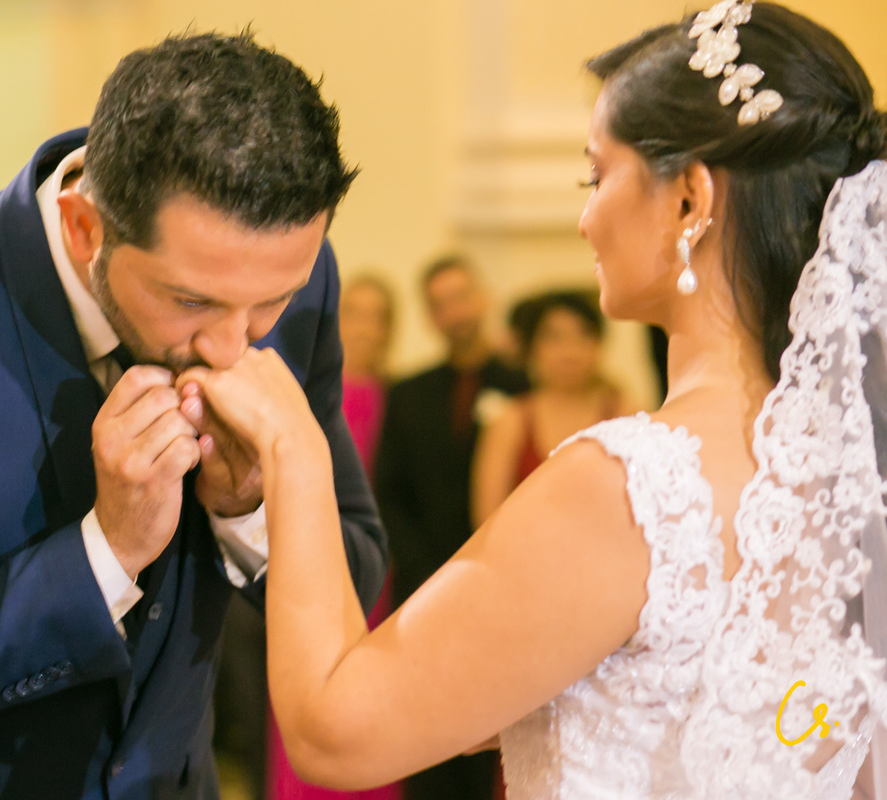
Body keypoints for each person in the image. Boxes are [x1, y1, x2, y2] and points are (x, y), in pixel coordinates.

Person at [176, 2, 887, 797]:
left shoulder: (635, 492)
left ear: (689, 201)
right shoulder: (853, 484)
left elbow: (335, 731)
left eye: (596, 175)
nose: (584, 220)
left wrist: (295, 450)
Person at [0, 32, 387, 799]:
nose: (234, 345)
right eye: (191, 301)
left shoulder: (294, 275)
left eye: (274, 301)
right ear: (83, 227)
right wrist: (106, 552)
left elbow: (355, 573)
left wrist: (252, 510)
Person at [371, 257, 526, 800]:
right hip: (425, 588)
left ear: (482, 298)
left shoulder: (523, 384)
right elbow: (388, 491)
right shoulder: (408, 393)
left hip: (507, 591)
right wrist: (427, 572)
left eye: (461, 296)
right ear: (430, 318)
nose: (455, 311)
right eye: (440, 304)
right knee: (429, 739)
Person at [266, 274, 401, 800]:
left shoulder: (399, 397)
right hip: (308, 563)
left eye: (377, 316)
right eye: (355, 313)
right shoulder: (313, 396)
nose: (365, 326)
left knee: (373, 698)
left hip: (378, 570)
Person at [471, 289, 637, 526]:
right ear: (532, 348)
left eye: (582, 335)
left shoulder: (625, 413)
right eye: (554, 338)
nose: (569, 351)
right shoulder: (510, 421)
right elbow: (487, 520)